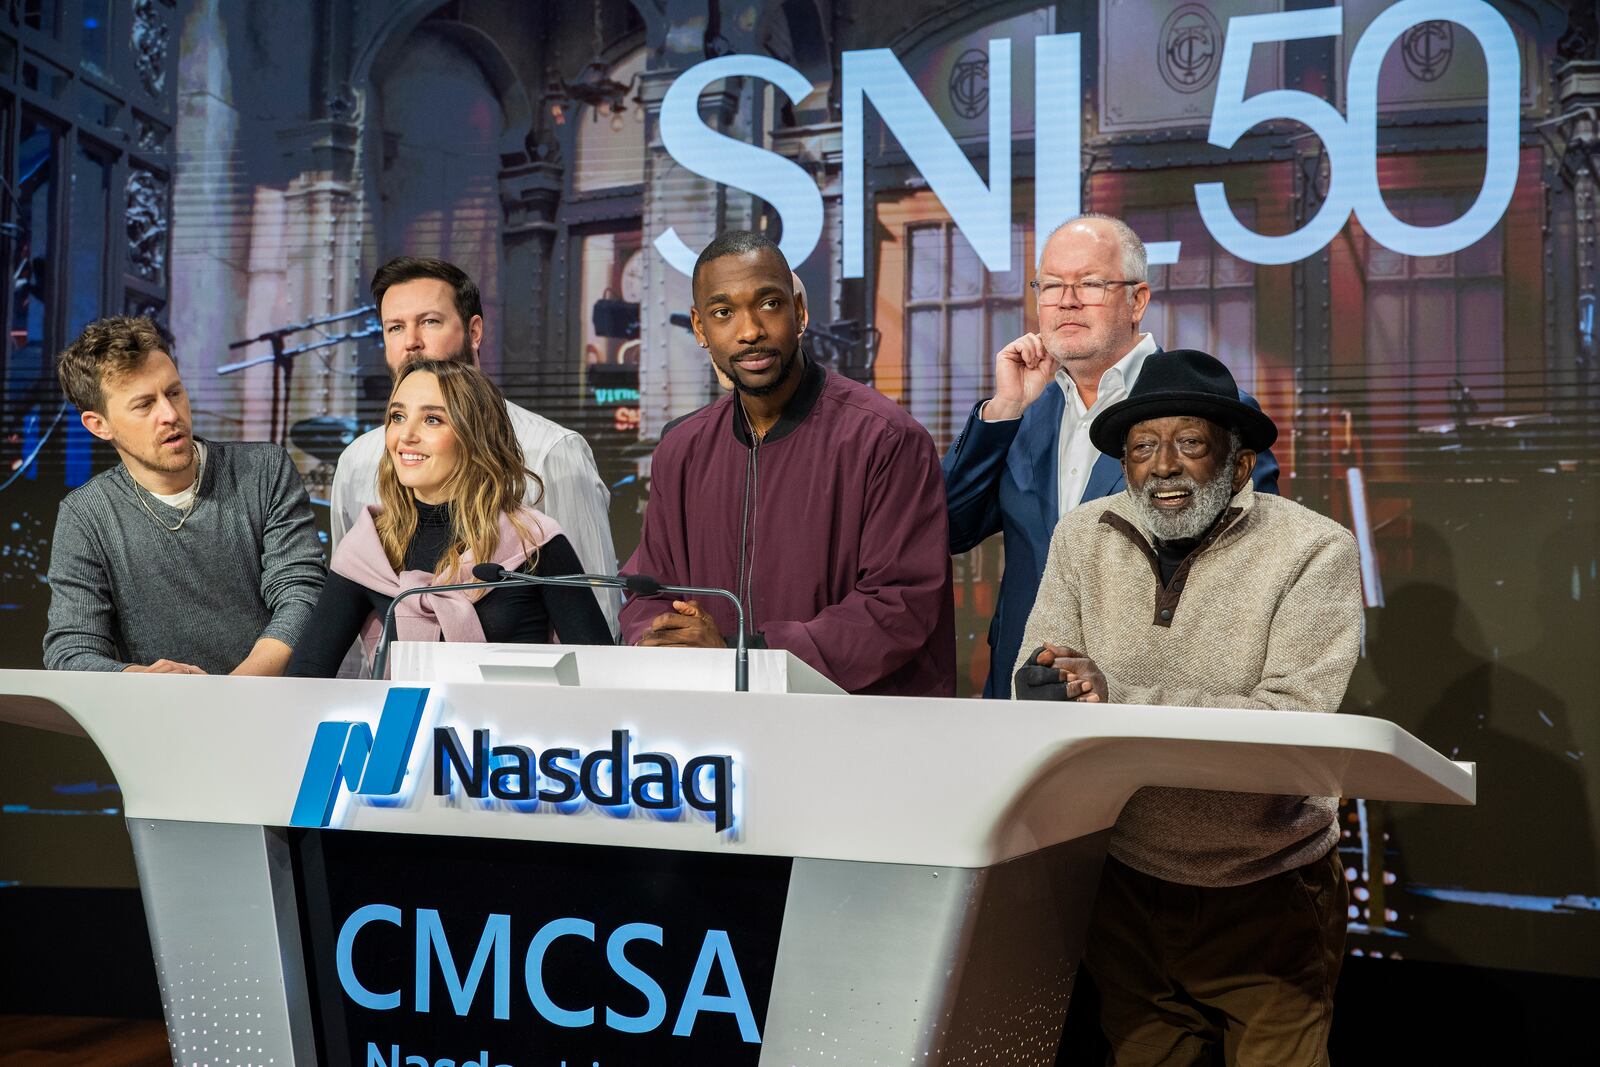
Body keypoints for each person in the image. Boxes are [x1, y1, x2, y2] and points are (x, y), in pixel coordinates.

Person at [1014, 349, 1362, 1066]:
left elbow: (1296, 719)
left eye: (1190, 444)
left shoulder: (1314, 549)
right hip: (1124, 884)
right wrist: (1047, 685)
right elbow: (1042, 665)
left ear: (1237, 466)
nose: (1162, 465)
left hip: (1267, 888)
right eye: (1142, 447)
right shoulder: (1082, 536)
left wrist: (1115, 695)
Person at [942, 214, 1281, 697]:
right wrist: (1003, 411)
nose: (1067, 301)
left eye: (1091, 284)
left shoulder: (1215, 415)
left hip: (1148, 701)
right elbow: (947, 529)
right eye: (1052, 285)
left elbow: (1248, 576)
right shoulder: (1020, 414)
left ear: (1137, 300)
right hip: (1023, 691)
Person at [619, 230, 955, 696]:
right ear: (700, 328)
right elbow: (646, 589)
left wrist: (742, 651)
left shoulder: (885, 438)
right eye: (723, 313)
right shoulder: (682, 448)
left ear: (799, 312)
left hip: (857, 733)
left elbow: (899, 606)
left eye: (769, 304)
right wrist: (659, 639)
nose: (750, 330)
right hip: (714, 733)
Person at [330, 256, 620, 632]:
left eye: (430, 322)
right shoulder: (358, 460)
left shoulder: (551, 450)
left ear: (475, 332)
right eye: (395, 328)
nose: (411, 343)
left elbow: (596, 605)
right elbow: (350, 609)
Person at [289, 359, 611, 678]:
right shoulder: (370, 549)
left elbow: (601, 677)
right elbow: (306, 676)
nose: (406, 436)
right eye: (398, 416)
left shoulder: (534, 542)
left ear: (475, 436)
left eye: (431, 420)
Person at [44, 316, 324, 674]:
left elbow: (301, 593)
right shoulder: (86, 516)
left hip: (273, 706)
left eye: (174, 392)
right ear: (99, 425)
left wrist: (233, 690)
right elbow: (71, 650)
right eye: (145, 404)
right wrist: (142, 679)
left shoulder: (263, 470)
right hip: (163, 719)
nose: (170, 414)